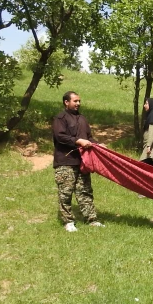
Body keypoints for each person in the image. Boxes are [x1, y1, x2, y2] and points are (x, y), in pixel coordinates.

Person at [52, 91, 103, 232]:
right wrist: (77, 141)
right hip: (65, 161)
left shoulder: (82, 119)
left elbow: (89, 137)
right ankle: (68, 222)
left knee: (85, 191)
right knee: (65, 193)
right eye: (75, 101)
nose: (78, 103)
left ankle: (91, 219)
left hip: (82, 162)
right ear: (66, 102)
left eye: (79, 101)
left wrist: (98, 145)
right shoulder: (60, 118)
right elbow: (60, 137)